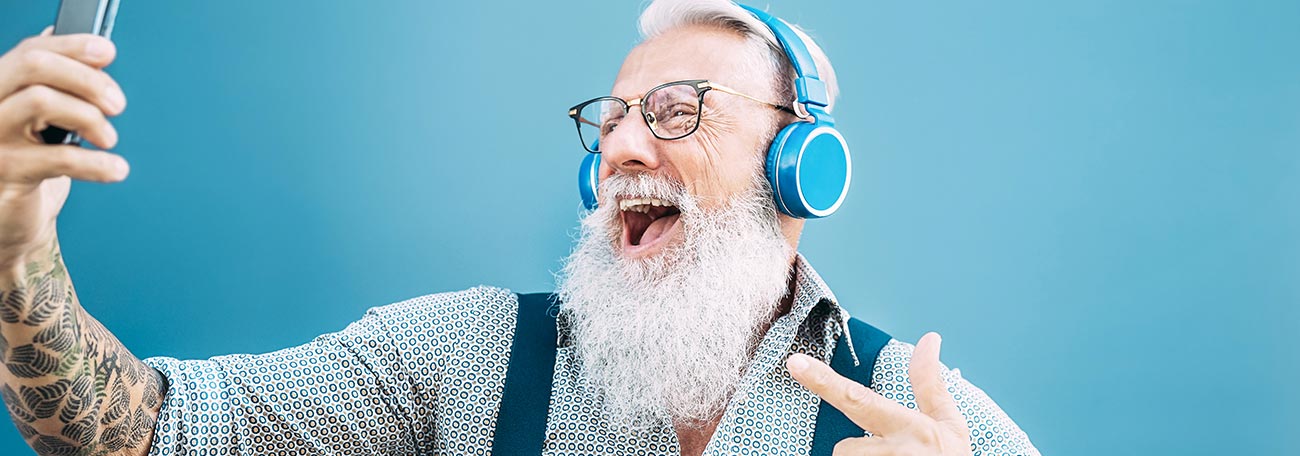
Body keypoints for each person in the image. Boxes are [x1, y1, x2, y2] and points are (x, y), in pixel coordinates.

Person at [0, 0, 1038, 454]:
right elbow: (146, 434)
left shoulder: (917, 418)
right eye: (615, 118)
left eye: (677, 110)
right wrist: (15, 249)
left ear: (799, 166)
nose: (625, 146)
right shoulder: (468, 359)